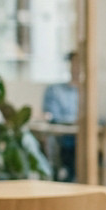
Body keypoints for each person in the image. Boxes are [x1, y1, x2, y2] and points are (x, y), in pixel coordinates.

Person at [42, 51, 81, 181]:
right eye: (75, 63)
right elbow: (54, 119)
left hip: (89, 142)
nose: (78, 67)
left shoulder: (92, 93)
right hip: (66, 141)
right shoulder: (56, 91)